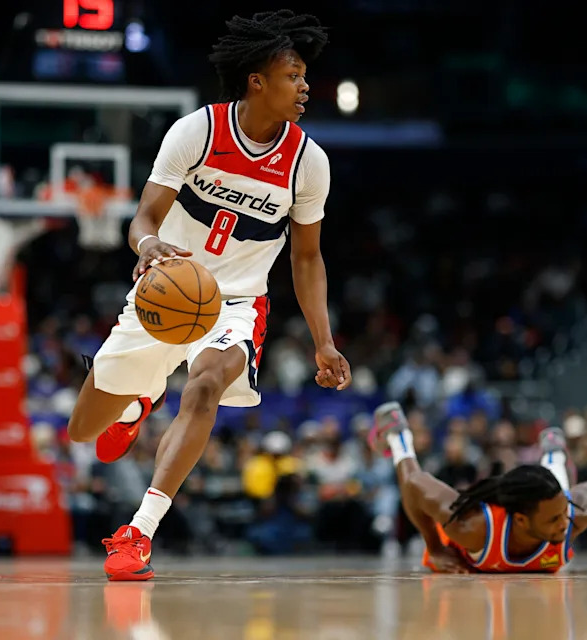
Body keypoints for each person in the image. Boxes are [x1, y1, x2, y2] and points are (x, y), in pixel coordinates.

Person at [66, 10, 350, 581]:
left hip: (236, 305)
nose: (304, 86)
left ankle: (136, 533)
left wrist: (324, 341)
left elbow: (306, 257)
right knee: (83, 431)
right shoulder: (198, 131)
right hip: (167, 285)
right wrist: (147, 244)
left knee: (204, 389)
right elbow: (146, 213)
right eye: (292, 75)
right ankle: (137, 400)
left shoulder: (307, 163)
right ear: (257, 81)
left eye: (304, 76)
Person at [370, 402, 587, 573]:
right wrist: (434, 548)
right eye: (554, 520)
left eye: (562, 515)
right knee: (409, 469)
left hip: (541, 504)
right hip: (473, 536)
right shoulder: (471, 526)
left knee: (560, 491)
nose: (565, 523)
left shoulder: (568, 517)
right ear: (519, 520)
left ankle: (554, 452)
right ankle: (399, 436)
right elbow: (413, 485)